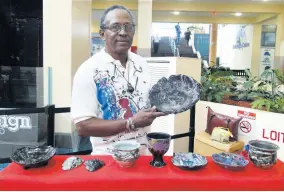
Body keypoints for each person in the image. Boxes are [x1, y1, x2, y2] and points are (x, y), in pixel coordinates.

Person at [71, 5, 166, 155]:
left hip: (143, 155)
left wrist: (167, 104)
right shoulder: (88, 70)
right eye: (115, 27)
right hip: (109, 159)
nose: (123, 33)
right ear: (102, 34)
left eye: (128, 27)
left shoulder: (142, 64)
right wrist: (131, 123)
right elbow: (83, 126)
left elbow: (146, 103)